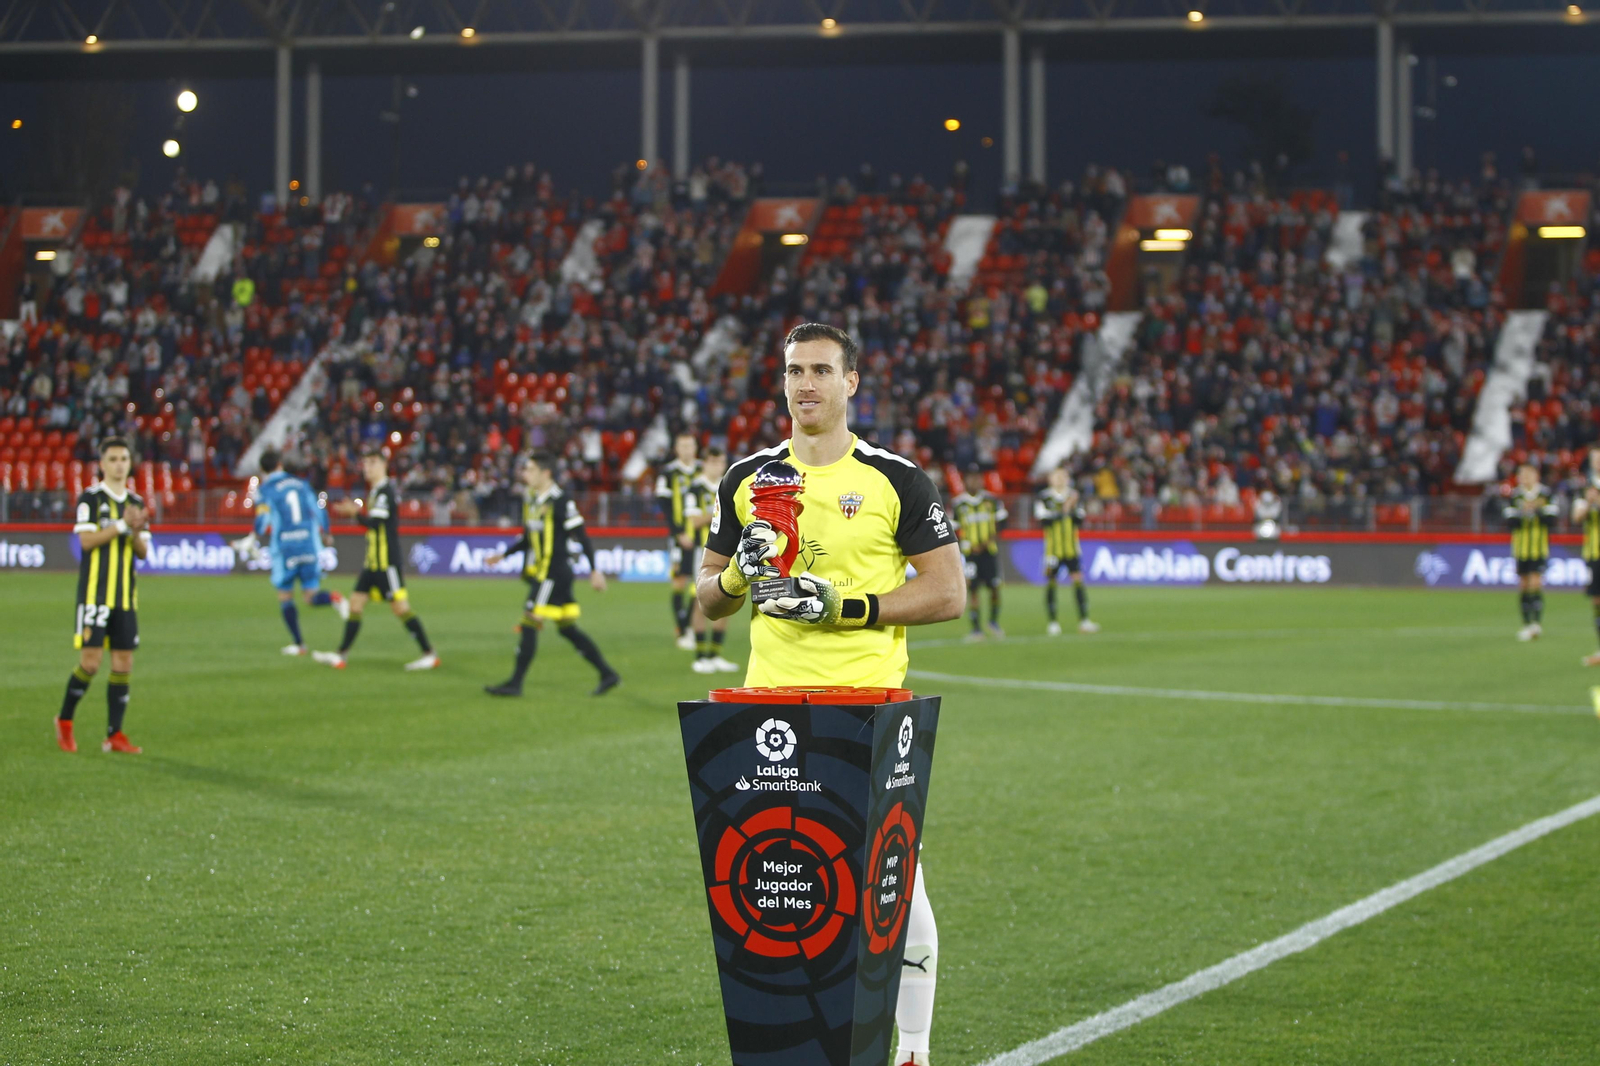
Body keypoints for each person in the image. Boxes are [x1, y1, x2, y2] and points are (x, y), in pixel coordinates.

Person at [697, 321, 966, 1066]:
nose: (805, 384)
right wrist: (737, 577)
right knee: (776, 889)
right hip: (766, 709)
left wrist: (847, 607)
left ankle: (912, 1047)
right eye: (793, 371)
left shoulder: (895, 478)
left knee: (891, 883)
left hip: (866, 709)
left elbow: (947, 594)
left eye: (820, 370)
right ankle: (791, 1046)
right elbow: (705, 604)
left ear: (852, 382)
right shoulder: (747, 480)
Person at [484, 451, 621, 697]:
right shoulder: (532, 499)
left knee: (529, 619)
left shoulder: (561, 500)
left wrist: (594, 569)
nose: (525, 474)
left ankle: (515, 684)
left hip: (553, 574)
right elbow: (528, 537)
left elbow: (581, 535)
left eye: (530, 469)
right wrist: (502, 555)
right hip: (548, 574)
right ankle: (607, 673)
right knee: (567, 629)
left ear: (545, 473)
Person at [57, 437, 150, 754]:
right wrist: (123, 525)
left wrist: (135, 530)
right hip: (95, 594)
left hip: (125, 596)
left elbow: (143, 552)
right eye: (112, 458)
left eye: (124, 458)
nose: (119, 464)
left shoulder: (136, 503)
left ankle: (115, 734)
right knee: (92, 663)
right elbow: (86, 542)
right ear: (101, 464)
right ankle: (65, 721)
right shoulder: (91, 499)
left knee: (123, 663)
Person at [313, 447, 438, 670]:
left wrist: (355, 514)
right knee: (355, 604)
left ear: (383, 465)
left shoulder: (385, 492)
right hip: (372, 562)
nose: (367, 468)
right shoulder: (376, 492)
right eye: (365, 464)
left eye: (372, 463)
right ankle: (341, 654)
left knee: (400, 608)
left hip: (386, 563)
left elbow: (376, 523)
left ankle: (429, 653)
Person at [232, 450, 346, 655]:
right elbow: (319, 509)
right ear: (279, 464)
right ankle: (333, 598)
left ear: (262, 469)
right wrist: (327, 532)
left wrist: (254, 536)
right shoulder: (300, 484)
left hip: (286, 548)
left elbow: (263, 516)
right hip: (308, 545)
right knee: (310, 596)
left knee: (285, 596)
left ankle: (299, 644)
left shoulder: (266, 489)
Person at [681, 446, 739, 674]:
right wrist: (719, 513)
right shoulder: (695, 489)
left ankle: (715, 654)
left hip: (730, 552)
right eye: (713, 462)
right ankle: (700, 655)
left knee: (728, 599)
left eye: (721, 462)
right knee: (701, 601)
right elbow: (694, 521)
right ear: (704, 463)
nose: (718, 467)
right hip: (704, 553)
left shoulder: (729, 484)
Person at [1034, 466, 1098, 636]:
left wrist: (1071, 508)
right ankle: (1053, 622)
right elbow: (1043, 520)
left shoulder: (1074, 496)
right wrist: (1065, 508)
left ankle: (1084, 620)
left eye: (1063, 476)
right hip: (1052, 550)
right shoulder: (1044, 498)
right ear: (1050, 479)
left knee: (1078, 581)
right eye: (1057, 476)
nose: (1060, 479)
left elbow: (1080, 519)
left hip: (1071, 548)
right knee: (1051, 584)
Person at [655, 432, 701, 650]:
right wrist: (678, 532)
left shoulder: (702, 471)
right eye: (682, 446)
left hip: (702, 537)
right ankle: (681, 629)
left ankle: (689, 627)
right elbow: (664, 507)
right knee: (679, 582)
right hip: (679, 538)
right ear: (676, 449)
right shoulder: (668, 473)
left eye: (690, 445)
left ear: (695, 448)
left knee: (698, 583)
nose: (686, 450)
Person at [951, 466, 1007, 641]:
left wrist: (989, 540)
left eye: (977, 478)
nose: (974, 481)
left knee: (995, 588)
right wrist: (965, 544)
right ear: (965, 481)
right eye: (970, 478)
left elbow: (1002, 523)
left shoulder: (992, 501)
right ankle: (976, 629)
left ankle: (993, 622)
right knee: (973, 590)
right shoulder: (958, 504)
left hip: (989, 552)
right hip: (970, 554)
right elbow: (952, 529)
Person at [1504, 462, 1556, 642]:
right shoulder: (1515, 495)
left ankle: (1536, 623)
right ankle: (1526, 624)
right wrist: (1521, 513)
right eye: (1521, 474)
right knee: (1523, 585)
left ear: (1536, 476)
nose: (1524, 478)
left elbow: (1552, 520)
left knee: (1535, 582)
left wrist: (1536, 510)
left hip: (1539, 547)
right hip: (1520, 547)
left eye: (1527, 474)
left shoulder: (1545, 494)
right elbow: (1509, 521)